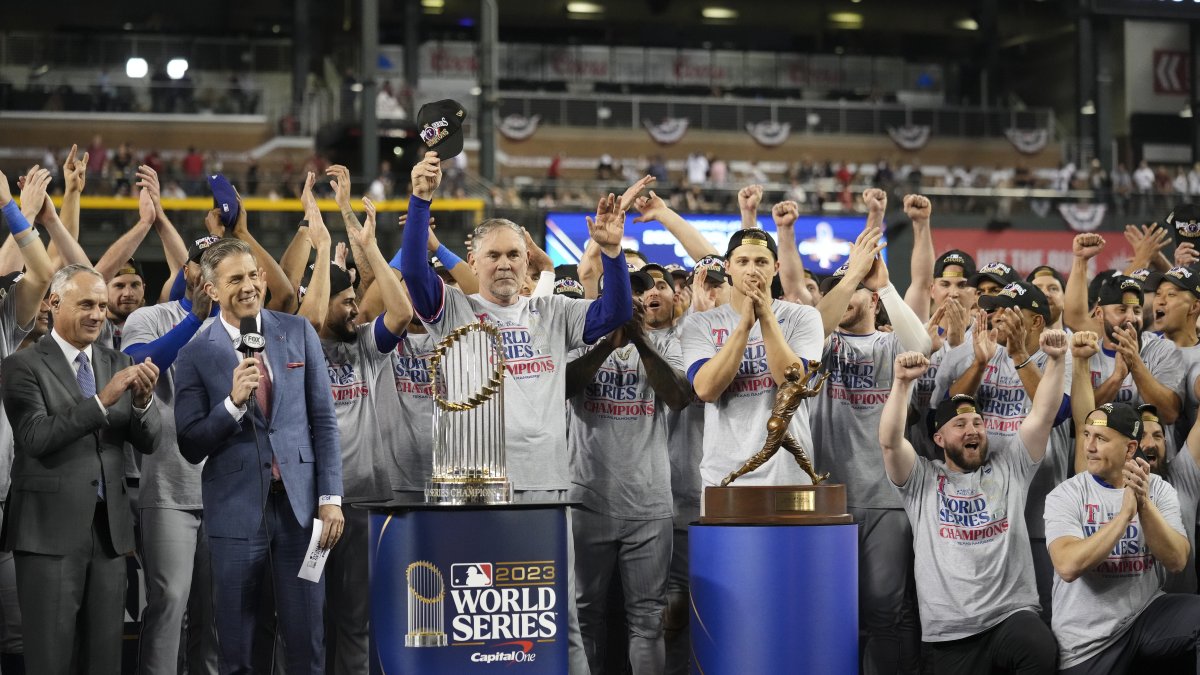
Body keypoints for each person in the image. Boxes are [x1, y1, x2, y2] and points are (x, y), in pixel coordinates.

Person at [400, 151, 637, 674]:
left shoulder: (553, 312)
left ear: (530, 263)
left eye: (514, 255)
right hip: (474, 488)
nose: (505, 264)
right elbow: (415, 271)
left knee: (554, 618)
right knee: (477, 618)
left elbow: (616, 312)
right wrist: (420, 200)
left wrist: (614, 252)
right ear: (474, 261)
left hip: (547, 486)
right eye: (493, 256)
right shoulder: (452, 310)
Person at [174, 238, 344, 674]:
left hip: (302, 511)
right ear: (211, 290)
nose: (249, 286)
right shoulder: (194, 353)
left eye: (253, 276)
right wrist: (231, 403)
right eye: (235, 279)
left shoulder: (298, 331)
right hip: (234, 512)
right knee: (238, 646)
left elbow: (323, 422)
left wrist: (331, 497)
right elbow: (190, 443)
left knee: (307, 640)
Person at [2, 264, 161, 675]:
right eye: (87, 304)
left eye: (102, 307)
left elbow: (148, 441)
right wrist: (101, 402)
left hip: (109, 537)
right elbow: (36, 437)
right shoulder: (22, 365)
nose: (96, 314)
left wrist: (143, 403)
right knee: (50, 660)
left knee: (104, 660)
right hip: (47, 534)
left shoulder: (118, 360)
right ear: (54, 303)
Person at [878, 330, 1068, 675]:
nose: (973, 429)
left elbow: (1043, 415)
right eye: (960, 423)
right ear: (939, 438)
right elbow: (890, 443)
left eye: (978, 422)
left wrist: (1056, 361)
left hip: (1010, 616)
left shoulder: (1011, 467)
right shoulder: (922, 479)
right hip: (950, 631)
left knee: (1039, 647)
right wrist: (902, 383)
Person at [811, 187, 932, 675]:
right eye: (842, 283)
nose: (848, 289)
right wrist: (850, 279)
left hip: (886, 495)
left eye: (856, 285)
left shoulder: (888, 344)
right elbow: (808, 329)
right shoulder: (819, 342)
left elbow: (922, 343)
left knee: (885, 608)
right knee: (830, 612)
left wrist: (882, 285)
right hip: (828, 493)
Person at [565, 264, 692, 675]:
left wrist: (637, 341)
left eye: (639, 292)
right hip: (587, 499)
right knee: (584, 614)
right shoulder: (578, 340)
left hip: (650, 503)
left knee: (647, 620)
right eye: (624, 293)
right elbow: (563, 387)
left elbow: (676, 396)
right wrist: (606, 344)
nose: (633, 299)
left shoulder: (665, 343)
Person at [312, 196, 412, 675]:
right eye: (346, 301)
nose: (355, 309)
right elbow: (308, 318)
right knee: (307, 621)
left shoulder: (365, 348)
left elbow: (401, 312)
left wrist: (370, 250)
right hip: (308, 505)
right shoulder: (298, 345)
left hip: (363, 500)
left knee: (355, 621)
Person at [121, 236, 221, 675]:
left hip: (225, 488)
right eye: (210, 269)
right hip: (169, 486)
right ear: (190, 272)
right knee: (169, 606)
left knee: (217, 615)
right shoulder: (151, 315)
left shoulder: (241, 324)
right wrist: (194, 320)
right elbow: (141, 363)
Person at [1045, 400, 1200, 674]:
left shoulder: (1159, 490)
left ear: (1129, 448)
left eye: (1101, 438)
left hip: (1145, 617)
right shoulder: (1066, 494)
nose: (1089, 447)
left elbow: (1177, 560)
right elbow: (1068, 566)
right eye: (1086, 435)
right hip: (1088, 643)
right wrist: (1123, 516)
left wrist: (1144, 504)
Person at [680, 227, 825, 488]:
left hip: (788, 477)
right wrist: (744, 327)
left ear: (776, 267)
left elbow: (792, 383)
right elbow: (706, 389)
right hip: (723, 478)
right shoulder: (699, 324)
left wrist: (766, 317)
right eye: (742, 261)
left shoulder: (804, 317)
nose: (752, 270)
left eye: (761, 262)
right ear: (728, 268)